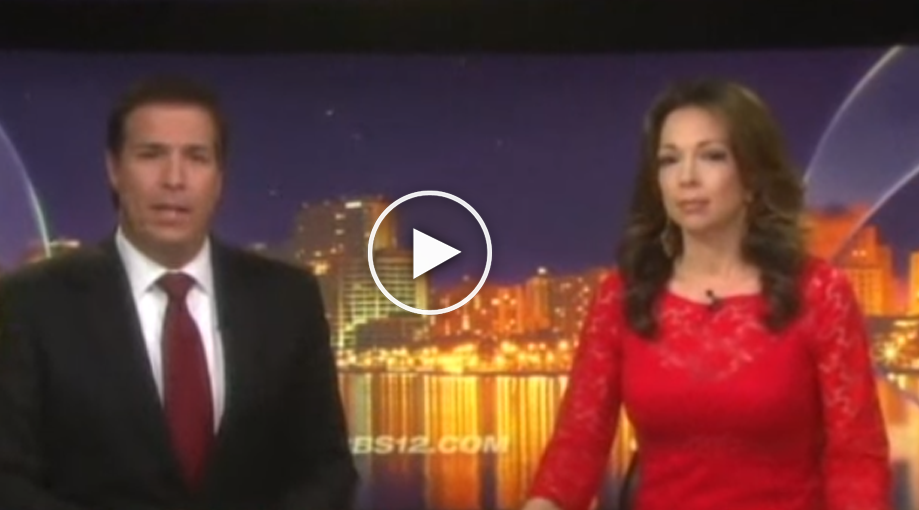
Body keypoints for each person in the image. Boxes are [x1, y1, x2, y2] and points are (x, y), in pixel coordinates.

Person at [522, 79, 891, 510]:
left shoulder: (819, 292)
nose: (687, 178)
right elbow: (578, 446)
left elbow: (857, 455)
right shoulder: (622, 296)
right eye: (669, 160)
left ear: (752, 176)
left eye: (711, 156)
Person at [0, 76, 358, 510]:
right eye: (151, 155)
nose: (174, 179)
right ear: (114, 169)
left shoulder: (287, 299)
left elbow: (328, 470)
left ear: (219, 177)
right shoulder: (32, 302)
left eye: (196, 157)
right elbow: (9, 478)